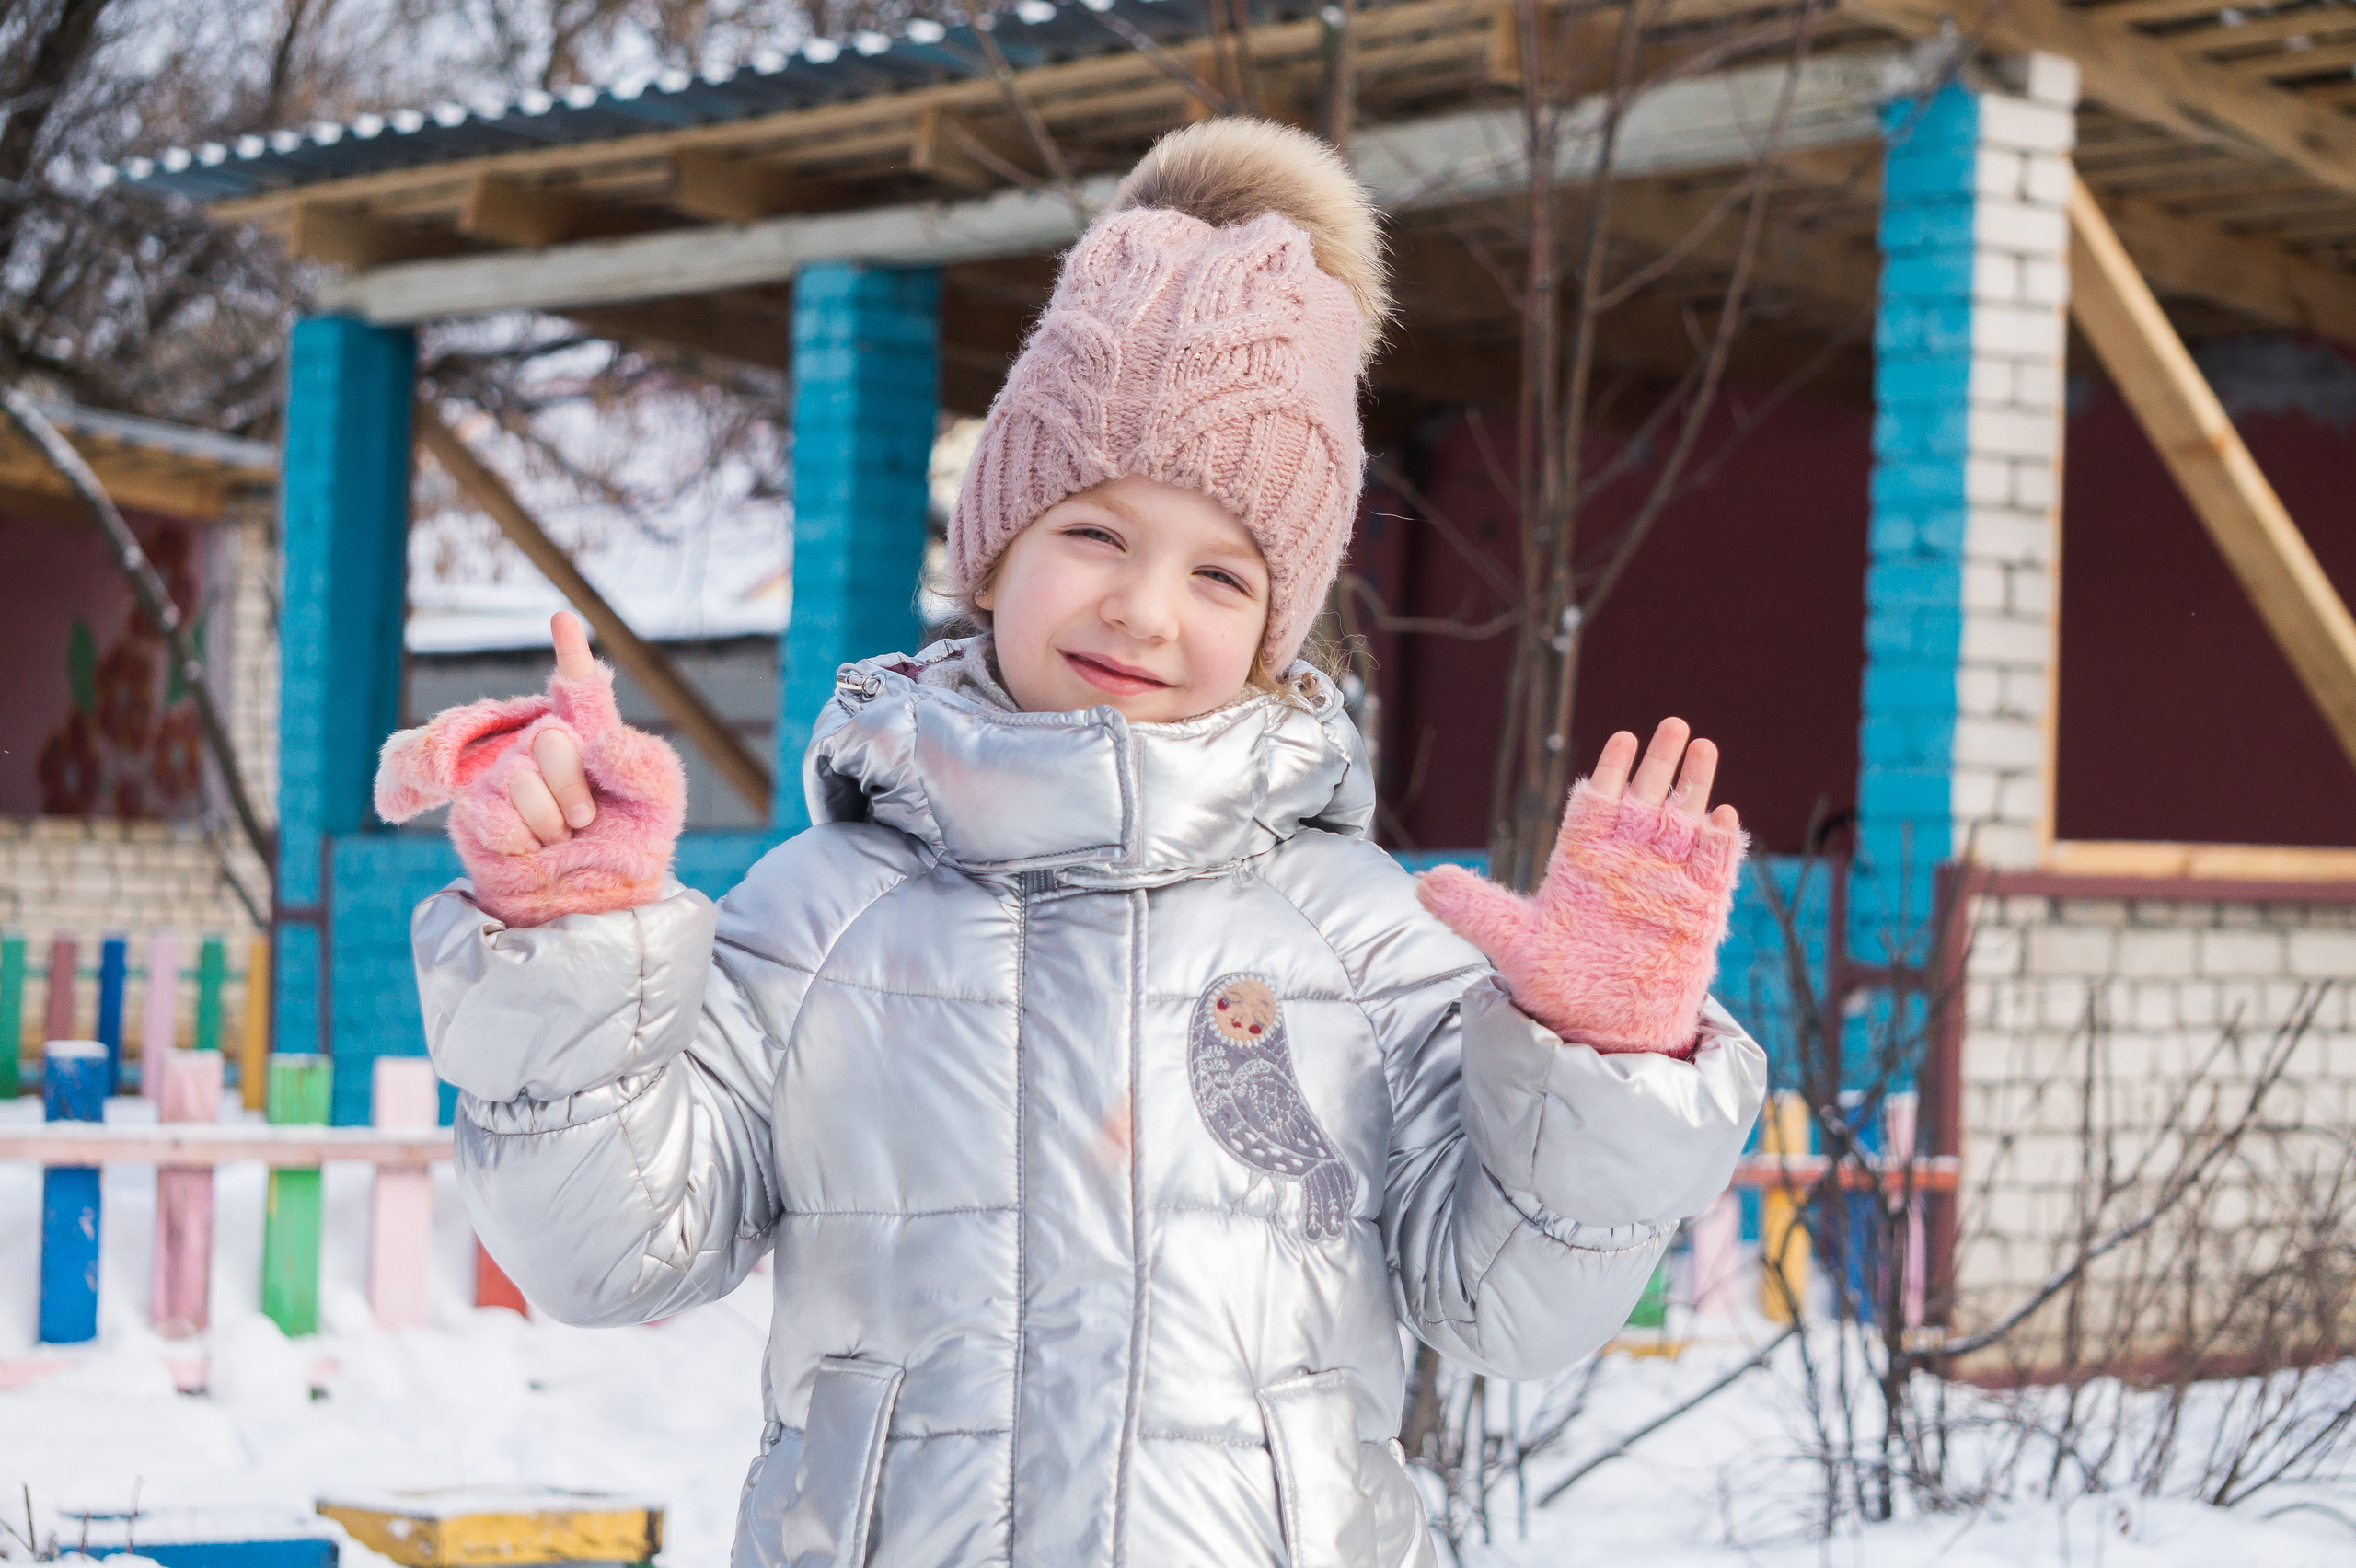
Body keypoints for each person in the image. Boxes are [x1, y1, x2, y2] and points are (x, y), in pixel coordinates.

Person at [377, 119, 1768, 1568]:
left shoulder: (1355, 942)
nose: (1145, 611)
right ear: (997, 547)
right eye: (1096, 533)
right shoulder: (826, 915)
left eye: (1222, 571)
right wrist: (576, 935)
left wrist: (1604, 1056)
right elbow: (606, 1254)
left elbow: (1512, 1312)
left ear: (1281, 627)